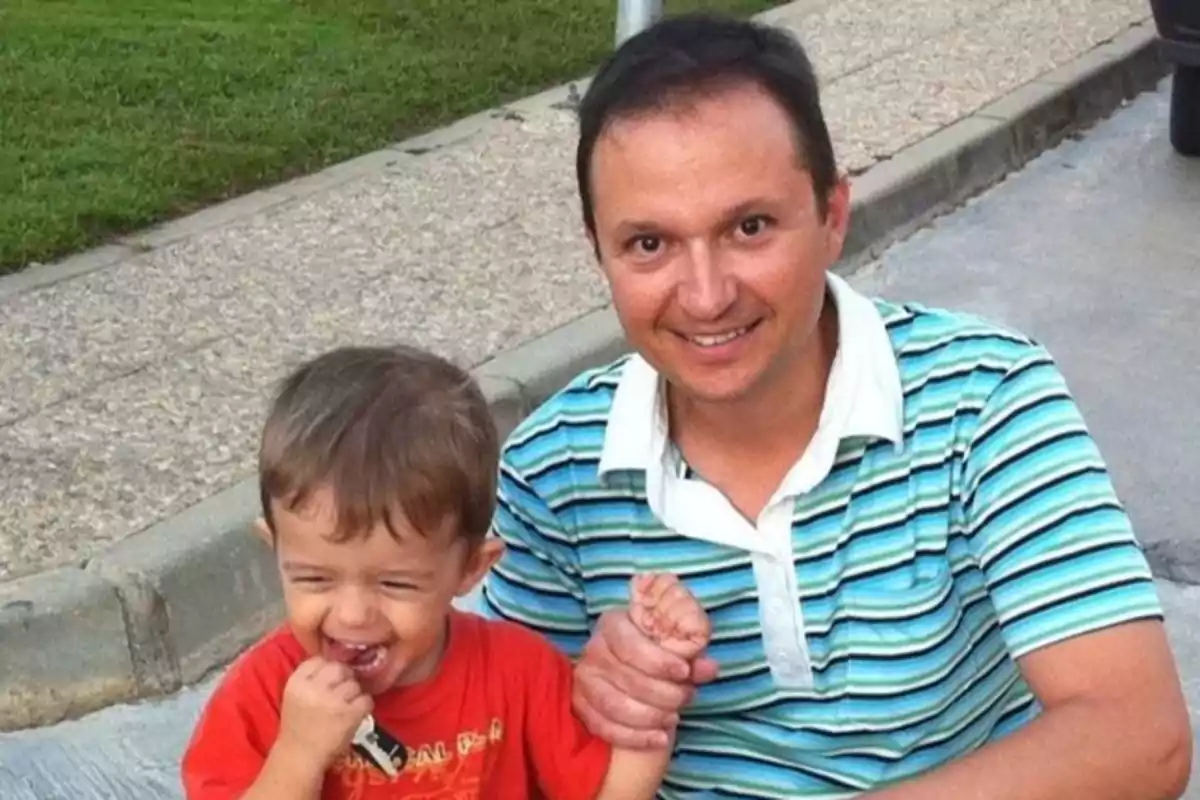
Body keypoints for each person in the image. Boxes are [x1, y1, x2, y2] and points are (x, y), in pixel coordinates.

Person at [481, 12, 1193, 799]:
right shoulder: (552, 472)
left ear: (831, 215)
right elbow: (493, 752)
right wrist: (581, 696)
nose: (707, 296)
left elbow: (1137, 737)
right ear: (599, 252)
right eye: (649, 244)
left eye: (749, 227)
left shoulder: (984, 399)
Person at [180, 344, 711, 799]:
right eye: (315, 578)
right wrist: (297, 755)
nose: (353, 614)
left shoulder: (518, 674)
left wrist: (648, 694)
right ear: (274, 550)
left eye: (395, 584)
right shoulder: (265, 692)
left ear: (471, 568)